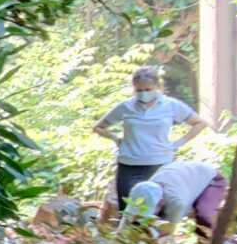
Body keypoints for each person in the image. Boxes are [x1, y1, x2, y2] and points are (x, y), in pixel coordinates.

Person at [93, 67, 207, 210]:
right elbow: (98, 127)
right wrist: (116, 139)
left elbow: (200, 123)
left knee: (156, 212)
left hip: (160, 164)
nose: (143, 94)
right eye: (139, 90)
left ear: (157, 87)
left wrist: (179, 143)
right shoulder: (126, 107)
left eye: (147, 90)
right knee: (129, 211)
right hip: (129, 165)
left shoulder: (170, 105)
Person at [122, 159, 224, 232]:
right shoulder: (143, 189)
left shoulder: (176, 202)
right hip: (186, 178)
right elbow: (127, 221)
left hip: (212, 180)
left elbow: (167, 233)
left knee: (204, 218)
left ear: (161, 202)